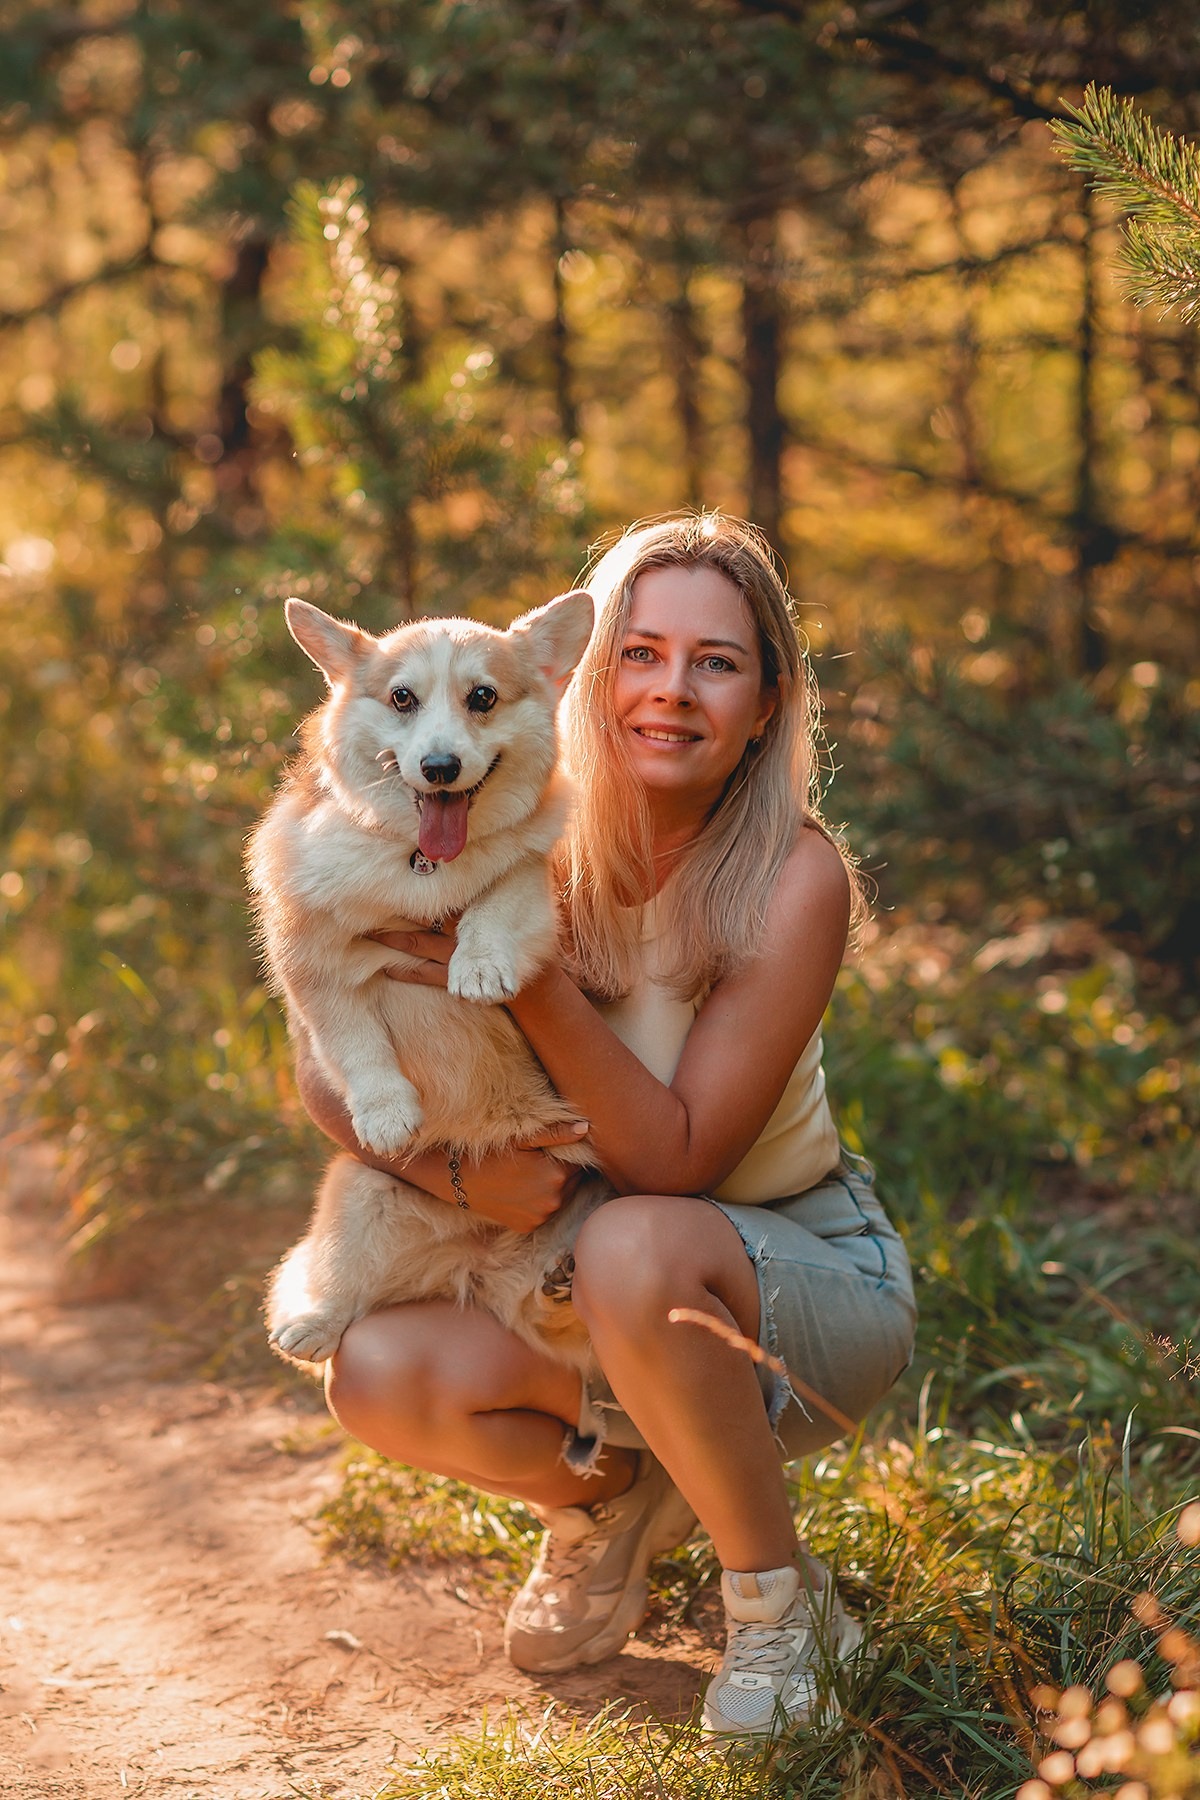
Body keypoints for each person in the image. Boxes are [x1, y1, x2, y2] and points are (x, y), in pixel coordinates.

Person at [296, 512, 917, 1742]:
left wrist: (527, 974)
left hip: (795, 1281)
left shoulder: (793, 875)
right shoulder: (507, 821)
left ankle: (779, 1605)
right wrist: (458, 1183)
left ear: (766, 703)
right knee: (376, 1370)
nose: (671, 690)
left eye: (716, 662)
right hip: (578, 1276)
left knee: (635, 1239)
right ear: (582, 676)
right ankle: (609, 1499)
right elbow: (323, 1067)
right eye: (641, 654)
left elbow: (674, 1161)